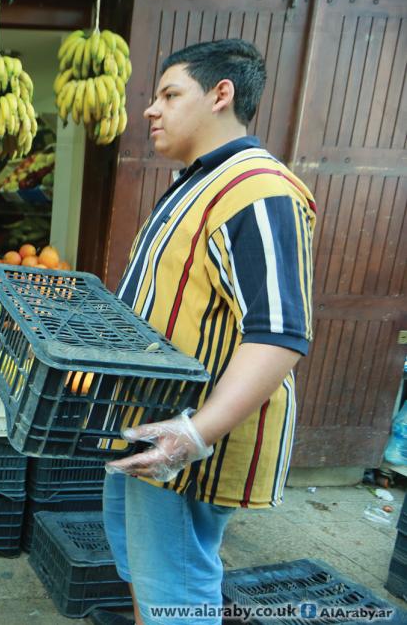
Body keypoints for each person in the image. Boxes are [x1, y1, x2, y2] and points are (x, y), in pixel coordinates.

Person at [97, 39, 316, 625]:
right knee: (151, 580)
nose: (150, 109)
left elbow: (280, 333)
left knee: (178, 592)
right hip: (153, 428)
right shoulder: (200, 181)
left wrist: (194, 434)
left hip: (187, 440)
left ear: (222, 94)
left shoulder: (261, 189)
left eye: (169, 94)